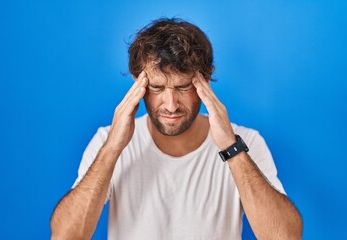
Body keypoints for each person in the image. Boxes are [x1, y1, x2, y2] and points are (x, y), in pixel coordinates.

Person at [50, 18, 303, 240]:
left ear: (206, 79)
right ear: (137, 82)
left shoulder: (245, 142)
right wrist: (112, 149)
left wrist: (231, 147)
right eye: (157, 88)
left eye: (183, 88)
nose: (170, 106)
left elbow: (286, 237)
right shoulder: (106, 140)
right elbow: (65, 235)